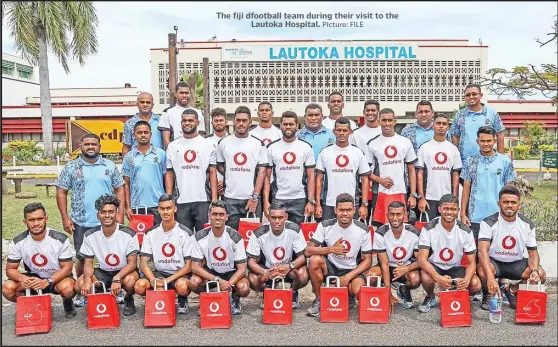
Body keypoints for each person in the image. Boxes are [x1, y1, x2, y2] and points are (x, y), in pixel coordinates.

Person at [55, 133, 125, 307]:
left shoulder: (109, 165)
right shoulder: (72, 167)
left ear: (100, 147)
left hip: (108, 221)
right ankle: (84, 291)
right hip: (82, 221)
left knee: (116, 255)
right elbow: (61, 191)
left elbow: (119, 189)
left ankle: (116, 289)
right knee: (82, 258)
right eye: (87, 144)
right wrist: (65, 217)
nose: (91, 147)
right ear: (81, 146)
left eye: (94, 144)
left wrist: (120, 213)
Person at [477, 186, 547, 310]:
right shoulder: (488, 222)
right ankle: (489, 292)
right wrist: (490, 278)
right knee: (482, 268)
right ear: (499, 203)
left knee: (540, 274)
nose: (509, 205)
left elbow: (533, 254)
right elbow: (482, 251)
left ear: (519, 204)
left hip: (516, 264)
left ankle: (511, 290)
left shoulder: (527, 225)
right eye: (505, 202)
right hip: (495, 263)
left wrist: (534, 271)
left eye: (513, 202)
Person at [3, 203, 76, 318]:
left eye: (40, 219)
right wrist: (23, 278)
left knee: (68, 289)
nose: (36, 223)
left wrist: (48, 281)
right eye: (31, 220)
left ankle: (67, 301)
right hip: (32, 278)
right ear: (25, 222)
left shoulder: (60, 239)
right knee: (7, 289)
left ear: (46, 218)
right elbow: (10, 269)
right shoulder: (18, 241)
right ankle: (35, 306)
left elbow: (67, 268)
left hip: (56, 278)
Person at [305, 193, 373, 317]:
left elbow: (368, 261)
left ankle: (349, 296)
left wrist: (347, 277)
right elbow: (308, 251)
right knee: (314, 260)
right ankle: (319, 300)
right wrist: (331, 249)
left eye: (348, 210)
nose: (345, 213)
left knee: (359, 290)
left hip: (352, 270)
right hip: (331, 268)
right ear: (335, 210)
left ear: (354, 210)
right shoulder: (325, 226)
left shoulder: (363, 230)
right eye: (341, 210)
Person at [74, 195, 140, 316]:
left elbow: (132, 263)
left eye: (111, 212)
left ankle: (128, 298)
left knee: (130, 281)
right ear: (97, 215)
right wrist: (88, 279)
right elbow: (88, 263)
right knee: (79, 284)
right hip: (103, 272)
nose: (107, 215)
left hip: (124, 272)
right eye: (103, 212)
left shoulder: (129, 233)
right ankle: (101, 296)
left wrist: (117, 278)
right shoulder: (90, 235)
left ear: (117, 213)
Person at [416, 194, 481, 313]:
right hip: (436, 266)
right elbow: (422, 260)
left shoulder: (465, 231)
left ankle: (457, 295)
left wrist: (466, 280)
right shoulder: (428, 228)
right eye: (446, 208)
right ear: (439, 209)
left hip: (455, 267)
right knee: (426, 275)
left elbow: (472, 262)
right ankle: (430, 297)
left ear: (458, 211)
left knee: (475, 284)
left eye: (453, 209)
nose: (449, 212)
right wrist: (438, 278)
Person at [134, 194, 195, 314]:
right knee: (139, 286)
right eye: (162, 208)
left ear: (175, 209)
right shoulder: (150, 233)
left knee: (182, 286)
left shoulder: (185, 233)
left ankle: (182, 299)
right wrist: (153, 280)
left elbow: (189, 266)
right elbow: (143, 263)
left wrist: (168, 281)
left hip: (178, 274)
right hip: (159, 273)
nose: (165, 212)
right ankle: (155, 299)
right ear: (158, 210)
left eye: (169, 208)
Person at [189, 200, 251, 315]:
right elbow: (195, 267)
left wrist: (226, 285)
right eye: (214, 214)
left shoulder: (236, 237)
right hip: (212, 273)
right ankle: (207, 299)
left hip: (231, 272)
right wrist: (218, 280)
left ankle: (235, 299)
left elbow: (242, 269)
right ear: (209, 216)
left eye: (221, 214)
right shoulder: (199, 236)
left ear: (226, 217)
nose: (218, 217)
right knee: (193, 281)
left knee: (244, 287)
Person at [246, 201, 309, 309]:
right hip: (267, 269)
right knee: (252, 279)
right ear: (268, 217)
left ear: (285, 217)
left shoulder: (294, 229)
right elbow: (251, 262)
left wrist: (289, 266)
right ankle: (268, 291)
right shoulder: (258, 233)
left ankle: (292, 292)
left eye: (280, 217)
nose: (277, 221)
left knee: (303, 274)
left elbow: (303, 257)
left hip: (288, 268)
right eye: (273, 217)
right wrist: (264, 272)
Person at [216, 106, 268, 231]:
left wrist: (255, 197)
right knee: (230, 237)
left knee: (252, 238)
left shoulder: (258, 144)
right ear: (233, 122)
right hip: (230, 199)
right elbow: (219, 166)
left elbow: (262, 172)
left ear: (250, 123)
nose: (241, 123)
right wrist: (229, 177)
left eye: (244, 121)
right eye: (238, 120)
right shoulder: (223, 143)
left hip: (251, 200)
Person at [166, 109, 218, 232]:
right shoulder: (173, 146)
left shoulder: (208, 145)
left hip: (203, 200)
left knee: (204, 238)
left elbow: (212, 173)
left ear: (197, 122)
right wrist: (169, 198)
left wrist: (215, 200)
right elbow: (169, 173)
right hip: (181, 201)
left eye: (190, 120)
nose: (187, 123)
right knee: (184, 239)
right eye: (184, 120)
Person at [460, 126, 517, 238]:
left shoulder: (505, 161)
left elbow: (511, 191)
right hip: (475, 216)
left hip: (498, 215)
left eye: (489, 141)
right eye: (482, 141)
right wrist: (463, 214)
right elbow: (466, 190)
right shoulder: (470, 161)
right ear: (477, 141)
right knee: (476, 251)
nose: (486, 144)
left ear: (494, 141)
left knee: (496, 252)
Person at [367, 201, 421, 313]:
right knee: (371, 275)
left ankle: (403, 289)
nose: (395, 218)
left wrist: (407, 268)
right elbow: (384, 263)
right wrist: (388, 293)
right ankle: (378, 297)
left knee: (415, 279)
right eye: (392, 214)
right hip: (387, 266)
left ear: (405, 216)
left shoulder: (414, 232)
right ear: (387, 215)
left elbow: (421, 261)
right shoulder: (380, 233)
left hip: (405, 267)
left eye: (398, 214)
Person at [366, 109, 418, 226]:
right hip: (380, 193)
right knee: (380, 227)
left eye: (390, 120)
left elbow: (411, 169)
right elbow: (366, 172)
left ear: (395, 121)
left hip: (401, 191)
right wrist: (381, 181)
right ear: (379, 122)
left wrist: (413, 194)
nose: (387, 123)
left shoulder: (405, 142)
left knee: (400, 226)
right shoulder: (372, 143)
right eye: (384, 120)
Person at [263, 111, 316, 225]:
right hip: (278, 198)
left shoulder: (306, 147)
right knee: (278, 233)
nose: (288, 127)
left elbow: (311, 176)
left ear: (297, 126)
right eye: (285, 124)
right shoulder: (271, 148)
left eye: (291, 124)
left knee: (299, 236)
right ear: (280, 125)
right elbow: (267, 177)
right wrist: (266, 201)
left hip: (300, 199)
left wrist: (311, 201)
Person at [316, 117, 371, 221]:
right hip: (329, 203)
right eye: (339, 130)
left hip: (352, 204)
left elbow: (364, 180)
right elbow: (319, 179)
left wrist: (364, 204)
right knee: (328, 235)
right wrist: (318, 204)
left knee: (352, 235)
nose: (341, 133)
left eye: (345, 130)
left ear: (350, 132)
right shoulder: (325, 152)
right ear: (334, 131)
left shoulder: (358, 152)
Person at [416, 113, 462, 221]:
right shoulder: (424, 148)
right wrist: (421, 198)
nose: (441, 126)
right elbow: (419, 174)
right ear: (432, 125)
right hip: (429, 198)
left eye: (444, 124)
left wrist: (454, 199)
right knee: (429, 231)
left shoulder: (453, 149)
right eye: (438, 123)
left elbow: (455, 175)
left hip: (447, 199)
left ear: (448, 127)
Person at [122, 121, 167, 226]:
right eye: (139, 132)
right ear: (134, 135)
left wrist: (167, 199)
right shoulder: (129, 157)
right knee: (140, 240)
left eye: (146, 132)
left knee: (158, 238)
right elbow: (126, 183)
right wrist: (127, 207)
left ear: (151, 134)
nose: (143, 135)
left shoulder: (161, 154)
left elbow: (167, 177)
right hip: (137, 206)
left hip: (158, 204)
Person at [450, 84, 505, 163]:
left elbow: (500, 135)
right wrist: (456, 159)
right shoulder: (460, 115)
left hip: (488, 162)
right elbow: (455, 136)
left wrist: (500, 159)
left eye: (474, 94)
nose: (471, 97)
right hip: (465, 162)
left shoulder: (492, 113)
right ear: (465, 97)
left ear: (481, 95)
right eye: (468, 95)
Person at [350, 100, 382, 216]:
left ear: (378, 112)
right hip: (360, 181)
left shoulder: (383, 131)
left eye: (373, 110)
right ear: (363, 112)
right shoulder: (355, 134)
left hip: (380, 181)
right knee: (361, 215)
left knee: (376, 216)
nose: (370, 113)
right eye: (367, 110)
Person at [158, 81, 206, 149]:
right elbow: (166, 140)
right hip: (176, 152)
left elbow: (201, 136)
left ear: (190, 94)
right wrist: (172, 154)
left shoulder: (199, 112)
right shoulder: (167, 112)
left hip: (194, 152)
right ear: (175, 94)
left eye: (186, 93)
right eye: (181, 93)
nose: (184, 96)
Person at [122, 92, 164, 157]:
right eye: (142, 102)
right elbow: (126, 147)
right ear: (137, 104)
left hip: (158, 161)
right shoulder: (129, 123)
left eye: (148, 102)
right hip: (137, 161)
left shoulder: (161, 121)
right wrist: (126, 164)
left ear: (152, 105)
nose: (145, 104)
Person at [205, 107, 229, 198]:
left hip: (229, 186)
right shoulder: (205, 142)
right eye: (216, 121)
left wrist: (224, 181)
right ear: (212, 123)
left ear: (226, 122)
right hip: (209, 186)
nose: (219, 123)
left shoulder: (233, 141)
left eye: (221, 120)